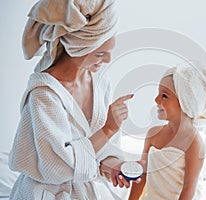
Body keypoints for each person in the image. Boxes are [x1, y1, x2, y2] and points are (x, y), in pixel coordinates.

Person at [8, 0, 140, 199]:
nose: (106, 61)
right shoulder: (44, 94)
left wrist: (112, 164)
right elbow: (55, 167)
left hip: (88, 190)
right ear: (78, 47)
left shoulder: (100, 81)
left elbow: (97, 149)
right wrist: (108, 129)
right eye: (100, 53)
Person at [128, 61, 206, 200]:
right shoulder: (153, 134)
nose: (156, 99)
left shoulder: (193, 142)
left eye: (164, 96)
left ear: (185, 103)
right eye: (158, 94)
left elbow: (189, 188)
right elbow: (142, 174)